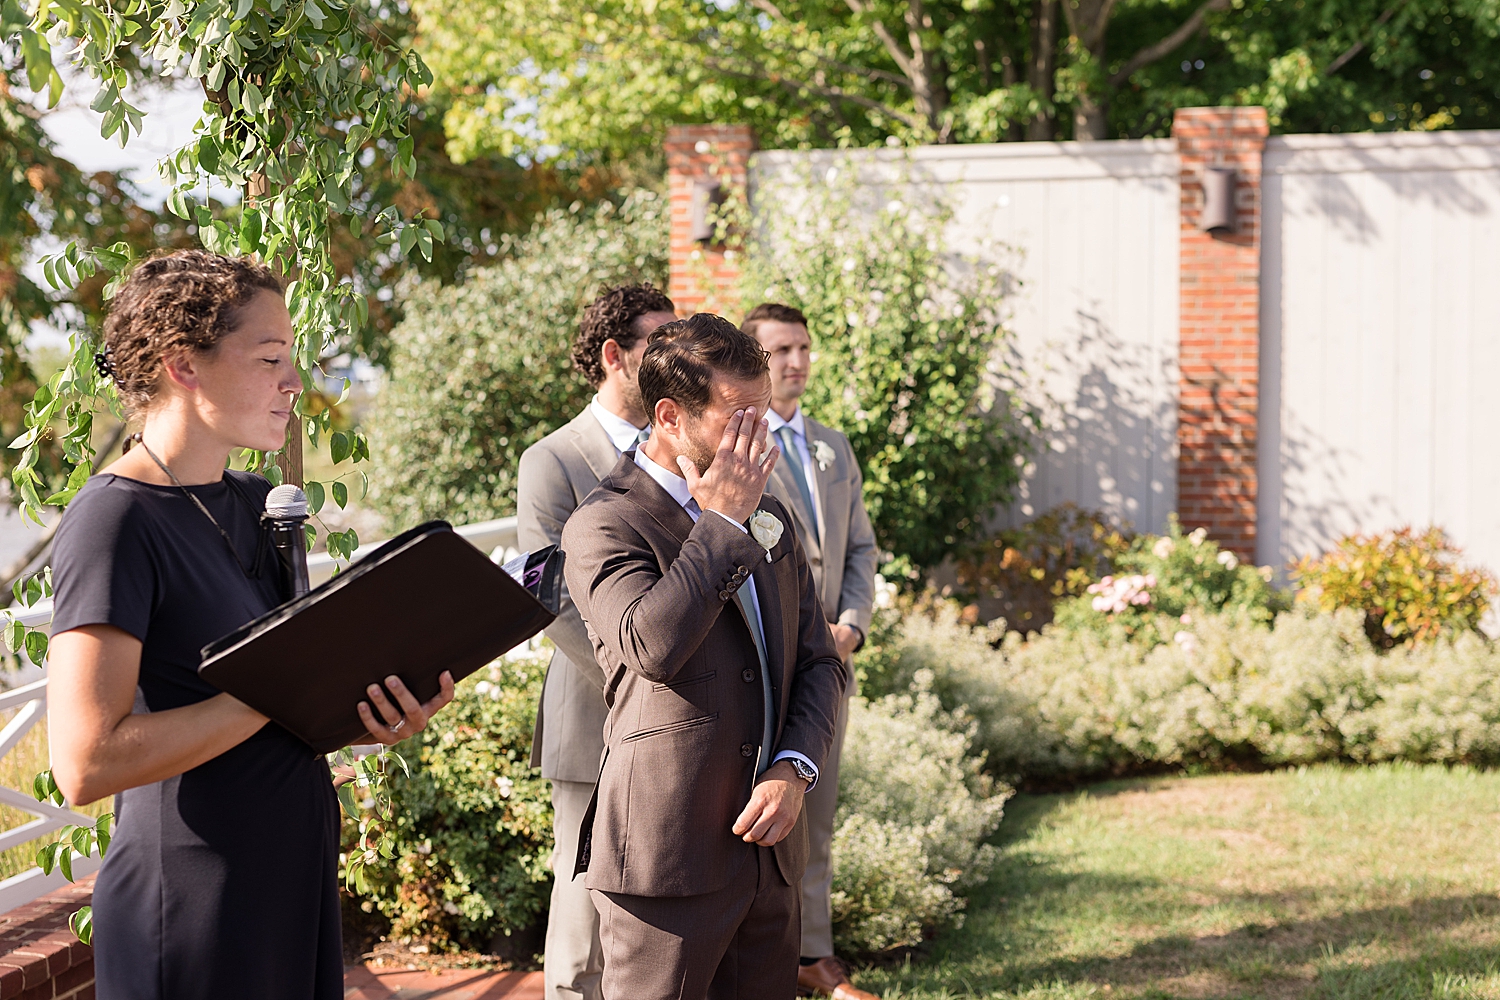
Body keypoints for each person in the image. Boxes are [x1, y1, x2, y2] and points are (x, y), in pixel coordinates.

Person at [46, 250, 455, 1000]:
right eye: (271, 358)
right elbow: (84, 762)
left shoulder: (254, 501)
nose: (295, 383)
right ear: (183, 365)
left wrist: (366, 711)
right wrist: (279, 691)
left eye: (293, 358)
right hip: (194, 904)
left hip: (286, 885)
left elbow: (279, 707)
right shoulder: (113, 521)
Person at [560, 313, 848, 1000]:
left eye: (764, 413)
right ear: (670, 416)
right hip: (667, 864)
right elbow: (653, 647)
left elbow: (819, 661)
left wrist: (795, 767)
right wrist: (719, 524)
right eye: (740, 418)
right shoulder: (603, 523)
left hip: (768, 860)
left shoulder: (771, 514)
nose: (760, 435)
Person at [516, 284, 678, 1000]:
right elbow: (545, 599)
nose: (676, 360)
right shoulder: (551, 461)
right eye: (659, 346)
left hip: (685, 710)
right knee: (582, 901)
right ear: (614, 356)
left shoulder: (681, 451)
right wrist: (645, 673)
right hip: (595, 710)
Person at [742, 303, 878, 1000]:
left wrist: (850, 624)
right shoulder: (738, 447)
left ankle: (812, 956)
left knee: (816, 815)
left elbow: (859, 547)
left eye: (802, 348)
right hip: (764, 662)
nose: (794, 363)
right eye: (778, 351)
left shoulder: (833, 446)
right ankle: (761, 957)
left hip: (832, 660)